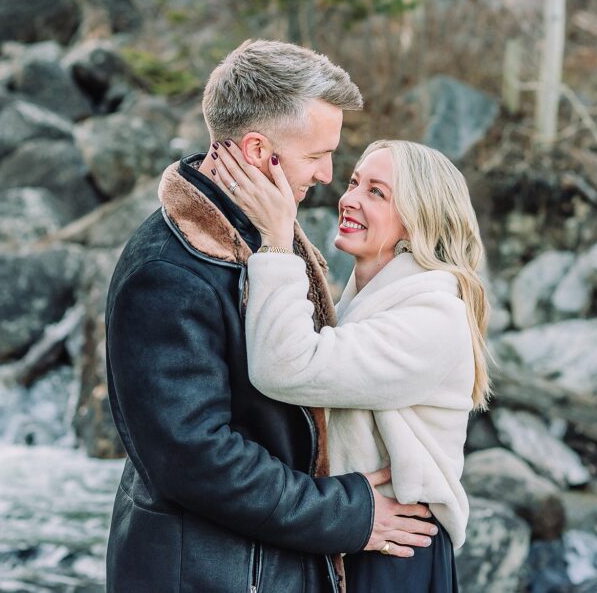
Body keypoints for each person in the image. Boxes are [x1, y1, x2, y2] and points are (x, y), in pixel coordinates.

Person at [104, 40, 438, 592]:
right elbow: (195, 459)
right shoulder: (167, 271)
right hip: (211, 576)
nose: (328, 175)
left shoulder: (260, 229)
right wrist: (348, 514)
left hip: (259, 562)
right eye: (317, 156)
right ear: (259, 151)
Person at [210, 138, 492, 592]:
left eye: (376, 192)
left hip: (396, 550)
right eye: (354, 182)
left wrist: (278, 243)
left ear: (418, 220)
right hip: (354, 531)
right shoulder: (367, 302)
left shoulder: (434, 316)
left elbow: (286, 366)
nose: (350, 198)